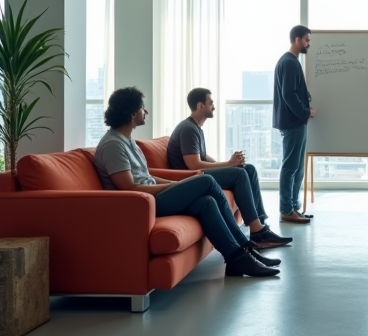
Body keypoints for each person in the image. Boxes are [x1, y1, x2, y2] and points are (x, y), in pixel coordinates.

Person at [94, 87, 280, 278]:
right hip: (143, 203)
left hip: (152, 195)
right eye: (143, 108)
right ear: (132, 113)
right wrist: (173, 186)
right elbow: (130, 188)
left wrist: (174, 183)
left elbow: (146, 175)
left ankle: (236, 258)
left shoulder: (127, 141)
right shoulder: (113, 146)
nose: (146, 112)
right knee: (206, 181)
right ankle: (245, 246)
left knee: (207, 203)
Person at [167, 88, 292, 248]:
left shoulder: (195, 128)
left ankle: (260, 225)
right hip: (191, 179)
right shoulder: (188, 129)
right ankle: (258, 234)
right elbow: (194, 165)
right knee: (239, 174)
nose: (214, 107)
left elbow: (204, 158)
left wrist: (230, 163)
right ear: (200, 105)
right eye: (210, 103)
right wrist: (229, 165)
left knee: (249, 169)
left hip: (198, 173)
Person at [273, 25, 315, 224]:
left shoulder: (290, 62)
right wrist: (305, 112)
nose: (308, 43)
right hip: (293, 122)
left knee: (297, 167)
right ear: (297, 39)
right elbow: (288, 94)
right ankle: (287, 210)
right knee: (291, 166)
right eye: (307, 39)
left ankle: (293, 207)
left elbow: (293, 91)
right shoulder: (289, 62)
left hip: (295, 121)